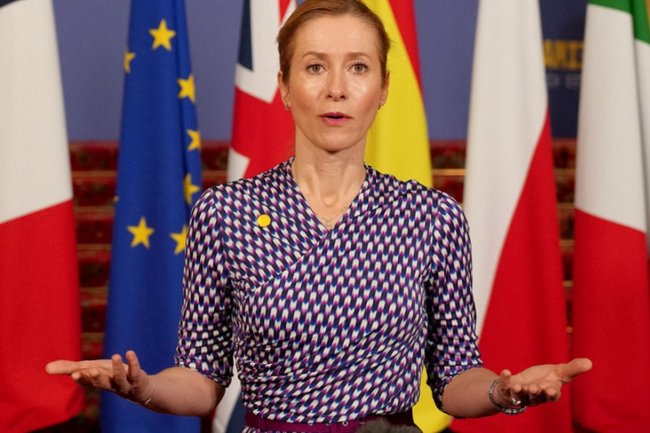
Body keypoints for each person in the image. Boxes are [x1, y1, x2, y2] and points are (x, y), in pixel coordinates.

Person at [47, 0, 592, 431]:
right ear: (285, 87)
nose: (336, 89)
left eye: (358, 67)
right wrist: (141, 387)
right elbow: (201, 380)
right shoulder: (224, 213)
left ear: (383, 88)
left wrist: (502, 391)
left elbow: (453, 383)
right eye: (314, 67)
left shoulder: (432, 217)